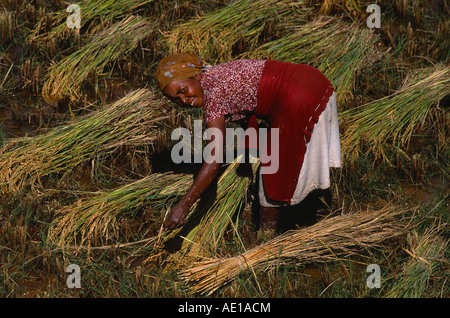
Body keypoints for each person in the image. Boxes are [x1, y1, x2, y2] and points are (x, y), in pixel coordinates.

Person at [156, 52, 341, 234]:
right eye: (175, 100)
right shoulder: (215, 76)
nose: (184, 100)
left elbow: (215, 158)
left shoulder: (212, 94)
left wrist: (184, 205)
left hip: (301, 97)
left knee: (272, 171)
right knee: (275, 159)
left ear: (196, 75)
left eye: (183, 91)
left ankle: (265, 240)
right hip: (312, 80)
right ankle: (311, 210)